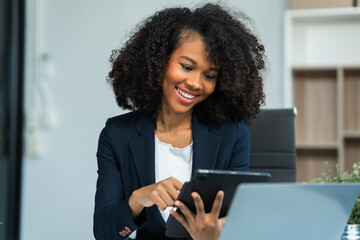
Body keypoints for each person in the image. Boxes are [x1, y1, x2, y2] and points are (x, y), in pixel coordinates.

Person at [93, 3, 265, 240]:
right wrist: (139, 198)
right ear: (160, 61)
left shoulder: (233, 135)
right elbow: (104, 231)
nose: (196, 83)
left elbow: (241, 224)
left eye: (209, 75)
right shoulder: (117, 135)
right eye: (186, 67)